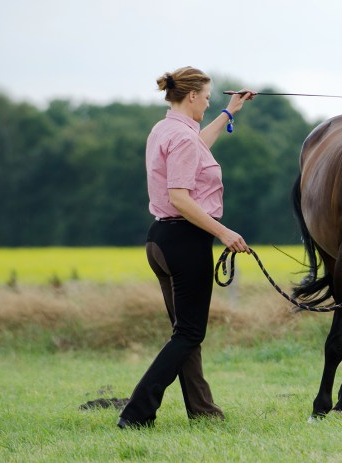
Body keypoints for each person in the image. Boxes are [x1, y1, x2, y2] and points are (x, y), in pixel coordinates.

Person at [118, 66, 255, 428]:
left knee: (185, 331)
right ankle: (136, 412)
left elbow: (198, 146)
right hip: (184, 240)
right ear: (192, 96)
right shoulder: (179, 137)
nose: (208, 105)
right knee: (190, 332)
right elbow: (179, 198)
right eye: (208, 99)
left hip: (160, 239)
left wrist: (230, 112)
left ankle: (202, 410)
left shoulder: (168, 129)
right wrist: (223, 233)